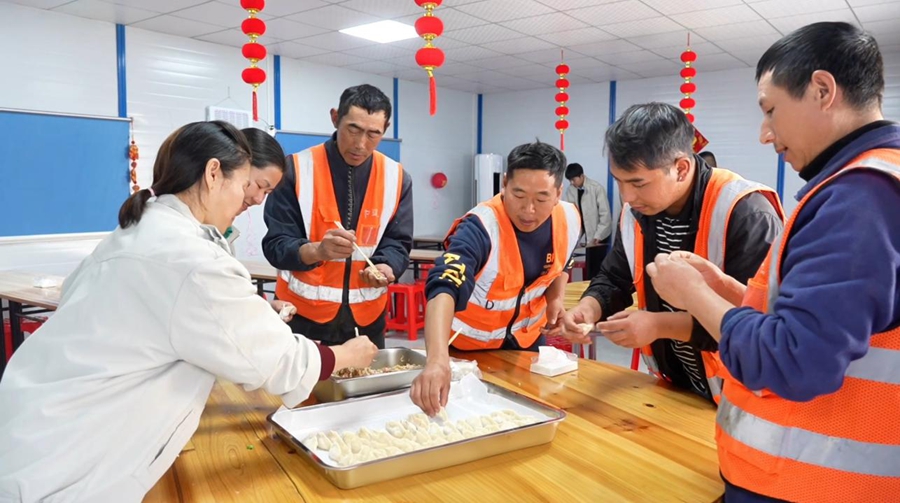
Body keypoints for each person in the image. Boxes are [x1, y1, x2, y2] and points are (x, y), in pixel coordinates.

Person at [0, 121, 378, 501]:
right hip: (67, 458)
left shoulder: (136, 232)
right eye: (247, 183)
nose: (249, 201)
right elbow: (279, 362)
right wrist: (345, 355)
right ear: (214, 173)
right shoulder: (190, 257)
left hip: (34, 422)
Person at [643, 22, 900, 502]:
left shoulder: (860, 196)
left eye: (771, 110)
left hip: (818, 485)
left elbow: (796, 359)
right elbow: (832, 325)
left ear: (823, 90)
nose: (765, 134)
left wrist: (694, 297)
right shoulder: (860, 185)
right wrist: (728, 291)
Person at [559, 103, 784, 404]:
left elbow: (753, 323)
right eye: (619, 181)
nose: (627, 196)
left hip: (739, 398)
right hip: (678, 387)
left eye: (638, 183)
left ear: (681, 168)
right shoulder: (635, 212)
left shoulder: (745, 213)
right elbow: (615, 276)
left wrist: (657, 325)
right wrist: (589, 308)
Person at [410, 141, 581, 416]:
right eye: (518, 194)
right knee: (463, 420)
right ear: (504, 184)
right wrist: (437, 360)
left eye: (541, 199)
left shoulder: (570, 219)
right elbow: (444, 286)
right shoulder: (481, 227)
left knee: (530, 416)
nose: (528, 210)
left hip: (527, 345)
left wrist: (555, 300)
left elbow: (561, 265)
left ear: (559, 192)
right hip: (467, 350)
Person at [263, 84, 413, 349]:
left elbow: (397, 242)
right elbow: (276, 246)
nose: (360, 144)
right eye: (353, 129)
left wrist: (386, 266)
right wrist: (317, 251)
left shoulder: (397, 178)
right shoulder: (295, 170)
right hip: (301, 317)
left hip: (367, 320)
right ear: (335, 117)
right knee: (303, 390)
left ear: (385, 129)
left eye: (373, 134)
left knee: (369, 389)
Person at [564, 162, 612, 279]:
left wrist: (598, 235)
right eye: (570, 180)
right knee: (587, 269)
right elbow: (572, 215)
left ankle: (597, 293)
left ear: (581, 176)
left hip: (600, 235)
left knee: (597, 268)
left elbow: (605, 215)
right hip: (585, 234)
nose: (571, 182)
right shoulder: (571, 190)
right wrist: (573, 237)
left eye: (573, 179)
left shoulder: (596, 188)